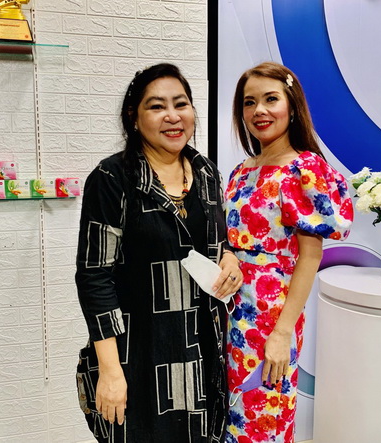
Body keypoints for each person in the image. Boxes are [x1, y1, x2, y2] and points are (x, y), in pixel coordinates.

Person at [75, 63, 243, 443]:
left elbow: (217, 240)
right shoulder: (113, 179)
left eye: (181, 104)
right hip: (138, 355)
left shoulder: (206, 173)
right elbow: (94, 276)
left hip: (202, 352)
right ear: (134, 118)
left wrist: (229, 257)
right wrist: (110, 371)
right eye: (156, 106)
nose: (172, 116)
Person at [223, 62, 354, 442]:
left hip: (271, 317)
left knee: (263, 418)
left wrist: (283, 333)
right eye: (249, 102)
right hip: (229, 312)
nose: (259, 111)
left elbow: (310, 256)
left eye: (271, 99)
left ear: (292, 106)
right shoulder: (241, 171)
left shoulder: (304, 169)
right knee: (232, 418)